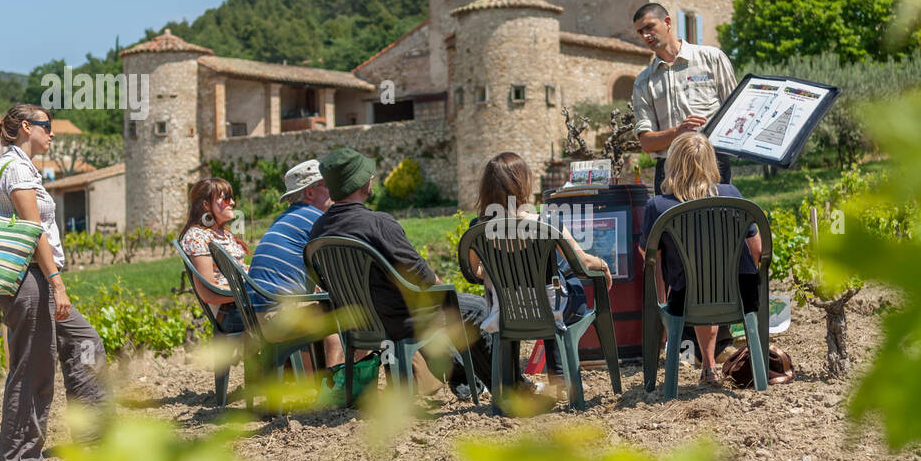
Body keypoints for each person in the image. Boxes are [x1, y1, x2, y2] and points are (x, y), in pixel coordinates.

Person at [308, 147, 490, 397]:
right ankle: (503, 387)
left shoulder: (318, 230)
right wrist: (446, 292)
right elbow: (423, 278)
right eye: (368, 174)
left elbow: (323, 282)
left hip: (357, 323)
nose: (373, 178)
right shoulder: (378, 223)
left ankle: (467, 382)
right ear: (359, 183)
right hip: (401, 321)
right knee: (477, 308)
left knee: (428, 308)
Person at [0, 104, 109, 461]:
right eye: (47, 127)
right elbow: (33, 229)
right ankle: (20, 457)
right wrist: (57, 284)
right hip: (28, 279)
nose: (52, 134)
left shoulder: (23, 167)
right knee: (34, 365)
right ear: (27, 127)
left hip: (35, 278)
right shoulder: (17, 169)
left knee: (85, 342)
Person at [467, 152, 611, 380]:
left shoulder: (478, 228)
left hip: (504, 311)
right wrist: (602, 264)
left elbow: (472, 272)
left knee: (554, 273)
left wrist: (495, 270)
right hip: (550, 310)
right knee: (564, 277)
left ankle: (510, 384)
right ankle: (560, 378)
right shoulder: (546, 222)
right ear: (523, 184)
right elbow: (583, 262)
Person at [639, 131, 762, 387]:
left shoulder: (658, 206)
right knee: (712, 282)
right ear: (711, 162)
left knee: (696, 283)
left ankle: (707, 365)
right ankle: (710, 366)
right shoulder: (732, 195)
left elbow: (648, 256)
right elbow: (757, 250)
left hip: (687, 301)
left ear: (671, 164)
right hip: (740, 296)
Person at [630, 2, 738, 194]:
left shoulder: (712, 58)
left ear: (668, 22)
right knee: (673, 225)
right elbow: (646, 143)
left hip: (712, 165)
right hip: (668, 171)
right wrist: (678, 132)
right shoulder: (643, 82)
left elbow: (737, 112)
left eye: (650, 27)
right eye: (640, 32)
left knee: (718, 223)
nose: (646, 35)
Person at [246, 159, 343, 367]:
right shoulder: (315, 219)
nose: (334, 192)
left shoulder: (289, 218)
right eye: (328, 186)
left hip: (262, 317)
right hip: (278, 318)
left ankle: (316, 383)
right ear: (309, 193)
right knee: (347, 317)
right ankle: (335, 390)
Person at [179, 177, 250, 335]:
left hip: (246, 305)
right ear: (206, 205)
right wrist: (249, 291)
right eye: (225, 198)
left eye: (231, 198)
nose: (232, 202)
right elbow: (208, 293)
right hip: (233, 311)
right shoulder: (197, 237)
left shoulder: (223, 234)